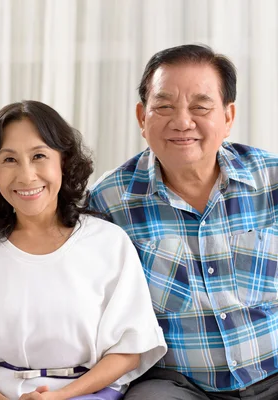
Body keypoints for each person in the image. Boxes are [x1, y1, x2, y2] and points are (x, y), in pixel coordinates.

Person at [0, 100, 167, 400]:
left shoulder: (108, 242)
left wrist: (60, 396)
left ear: (63, 161)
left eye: (39, 156)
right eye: (9, 160)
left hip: (90, 393)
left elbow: (130, 350)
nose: (26, 176)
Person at [89, 44, 278, 400]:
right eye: (164, 106)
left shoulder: (272, 180)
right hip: (177, 382)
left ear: (228, 117)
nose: (182, 122)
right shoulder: (109, 201)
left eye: (200, 107)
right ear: (142, 117)